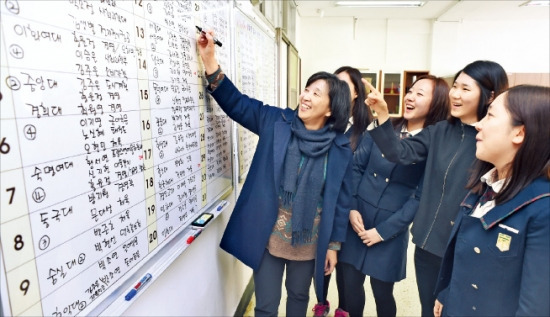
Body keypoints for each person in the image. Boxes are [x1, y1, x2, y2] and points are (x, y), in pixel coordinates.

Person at [196, 30, 354, 316]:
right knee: (266, 305)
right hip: (268, 237)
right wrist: (210, 61)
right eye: (306, 89)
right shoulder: (276, 121)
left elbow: (341, 202)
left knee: (298, 298)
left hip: (308, 243)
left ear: (331, 109)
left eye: (315, 93)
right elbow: (238, 104)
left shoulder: (340, 148)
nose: (305, 96)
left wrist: (333, 246)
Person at [364, 60, 509, 316]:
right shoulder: (439, 131)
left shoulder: (492, 141)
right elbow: (399, 152)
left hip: (464, 249)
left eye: (465, 89)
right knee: (428, 310)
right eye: (455, 86)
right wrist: (384, 116)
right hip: (427, 244)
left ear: (490, 96)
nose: (455, 94)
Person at [335, 75, 449, 317]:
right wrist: (352, 207)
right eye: (410, 91)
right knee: (351, 289)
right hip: (357, 220)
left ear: (436, 103)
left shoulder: (433, 145)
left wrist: (383, 232)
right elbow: (356, 167)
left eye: (420, 94)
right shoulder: (382, 129)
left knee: (382, 294)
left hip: (391, 229)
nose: (410, 97)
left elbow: (421, 197)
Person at [433, 85, 550, 316]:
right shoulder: (486, 185)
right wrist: (447, 294)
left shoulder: (542, 207)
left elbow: (534, 307)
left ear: (519, 132)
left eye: (491, 115)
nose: (479, 124)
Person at [313, 66, 372, 317]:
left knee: (348, 279)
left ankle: (344, 311)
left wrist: (351, 207)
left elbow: (365, 175)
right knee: (322, 269)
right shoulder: (324, 123)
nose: (336, 88)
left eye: (344, 85)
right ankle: (321, 305)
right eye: (333, 82)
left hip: (354, 214)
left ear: (357, 93)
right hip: (325, 212)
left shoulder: (366, 129)